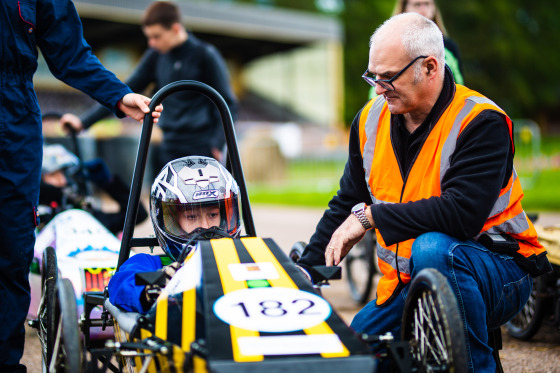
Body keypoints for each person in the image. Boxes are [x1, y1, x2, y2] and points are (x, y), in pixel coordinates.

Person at [297, 13, 551, 372]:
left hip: (502, 269)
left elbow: (461, 215)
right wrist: (305, 271)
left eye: (388, 77)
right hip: (407, 281)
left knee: (435, 248)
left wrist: (371, 217)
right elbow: (347, 200)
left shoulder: (481, 122)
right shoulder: (370, 120)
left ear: (430, 67)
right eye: (373, 75)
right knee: (353, 356)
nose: (378, 87)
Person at [0, 1, 162, 370]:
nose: (58, 180)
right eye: (54, 176)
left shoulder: (76, 194)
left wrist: (118, 96)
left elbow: (69, 51)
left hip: (15, 115)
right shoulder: (51, 201)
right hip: (52, 216)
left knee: (11, 250)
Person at [62, 1, 238, 171]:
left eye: (156, 36)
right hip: (168, 144)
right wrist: (83, 122)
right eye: (149, 37)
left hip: (203, 146)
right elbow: (123, 91)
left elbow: (228, 102)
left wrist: (217, 143)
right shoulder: (155, 56)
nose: (151, 43)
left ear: (175, 29)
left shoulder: (206, 54)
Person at [108, 156, 241, 313]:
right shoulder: (150, 265)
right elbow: (120, 284)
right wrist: (153, 288)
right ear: (172, 221)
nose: (206, 227)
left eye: (212, 215)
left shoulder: (240, 261)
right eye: (192, 217)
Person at [39, 144, 148, 235]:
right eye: (53, 175)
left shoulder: (84, 214)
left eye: (63, 174)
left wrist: (110, 183)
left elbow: (138, 215)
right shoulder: (35, 220)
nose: (62, 181)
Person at [369, 0, 463, 100]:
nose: (423, 10)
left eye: (427, 4)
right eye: (417, 4)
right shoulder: (389, 45)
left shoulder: (448, 47)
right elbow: (377, 86)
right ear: (405, 8)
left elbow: (458, 82)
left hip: (444, 106)